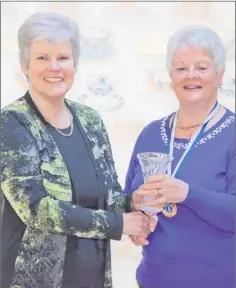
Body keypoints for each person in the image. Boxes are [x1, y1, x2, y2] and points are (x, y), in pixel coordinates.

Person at [0, 12, 157, 288]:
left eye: (63, 57)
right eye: (42, 58)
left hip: (92, 278)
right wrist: (120, 225)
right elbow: (36, 209)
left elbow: (106, 197)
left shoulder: (91, 120)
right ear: (24, 65)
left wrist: (134, 202)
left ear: (75, 63)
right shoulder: (11, 123)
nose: (54, 67)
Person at [124, 25, 235, 288]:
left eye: (202, 67)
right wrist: (136, 219)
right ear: (171, 76)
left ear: (220, 75)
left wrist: (186, 193)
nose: (190, 75)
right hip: (153, 280)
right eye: (181, 68)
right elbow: (127, 197)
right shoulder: (150, 133)